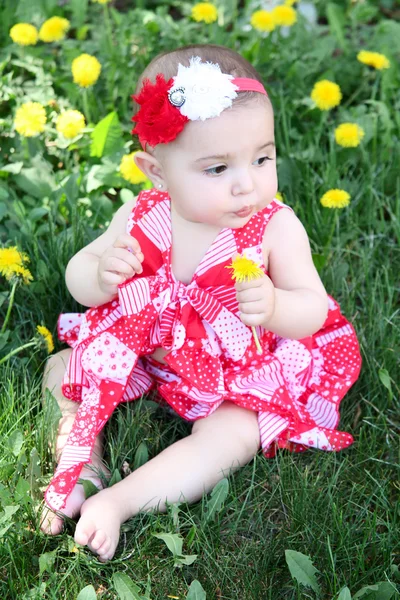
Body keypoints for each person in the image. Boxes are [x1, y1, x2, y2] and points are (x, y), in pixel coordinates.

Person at [40, 44, 361, 561]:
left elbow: (314, 309)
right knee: (62, 368)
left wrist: (276, 305)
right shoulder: (141, 213)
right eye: (217, 169)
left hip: (234, 370)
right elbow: (79, 275)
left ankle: (122, 501)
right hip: (151, 352)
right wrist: (101, 276)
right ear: (157, 172)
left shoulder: (275, 226)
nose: (247, 183)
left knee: (237, 433)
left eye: (262, 157)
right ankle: (83, 462)